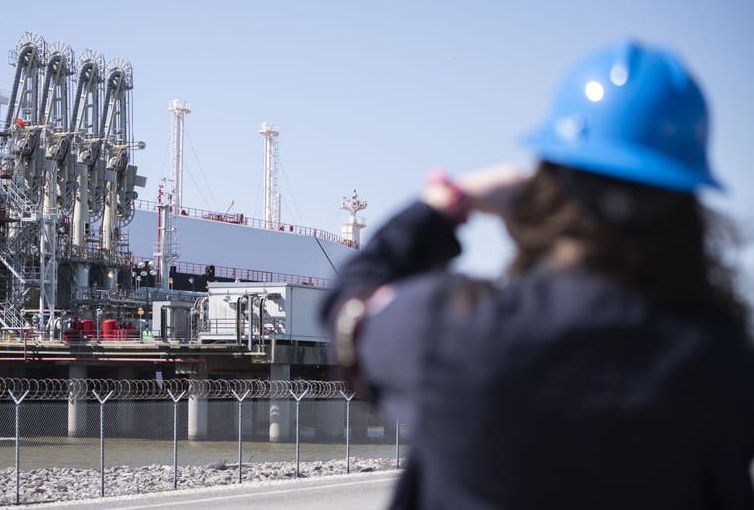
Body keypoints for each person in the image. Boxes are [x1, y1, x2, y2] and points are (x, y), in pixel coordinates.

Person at [322, 41, 754, 509]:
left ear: (548, 186)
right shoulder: (722, 362)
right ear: (687, 206)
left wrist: (443, 206)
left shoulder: (454, 331)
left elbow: (347, 308)